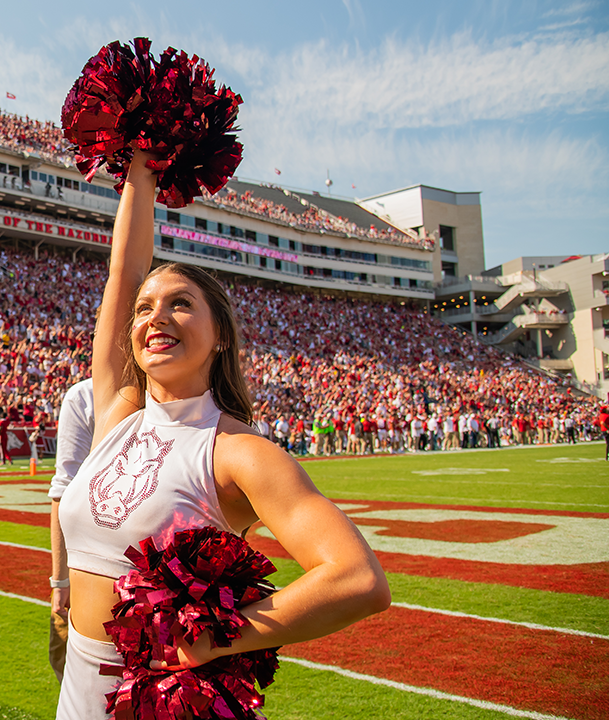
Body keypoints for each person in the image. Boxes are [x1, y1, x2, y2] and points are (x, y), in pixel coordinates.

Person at [54, 151, 390, 719]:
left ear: (220, 338)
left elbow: (359, 580)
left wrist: (213, 641)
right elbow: (124, 272)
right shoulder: (118, 411)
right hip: (78, 690)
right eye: (144, 311)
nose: (155, 317)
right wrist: (141, 163)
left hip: (161, 700)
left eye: (180, 305)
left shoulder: (238, 453)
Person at [48, 377, 95, 682]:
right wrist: (60, 581)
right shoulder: (84, 396)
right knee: (76, 677)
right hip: (93, 571)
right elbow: (63, 491)